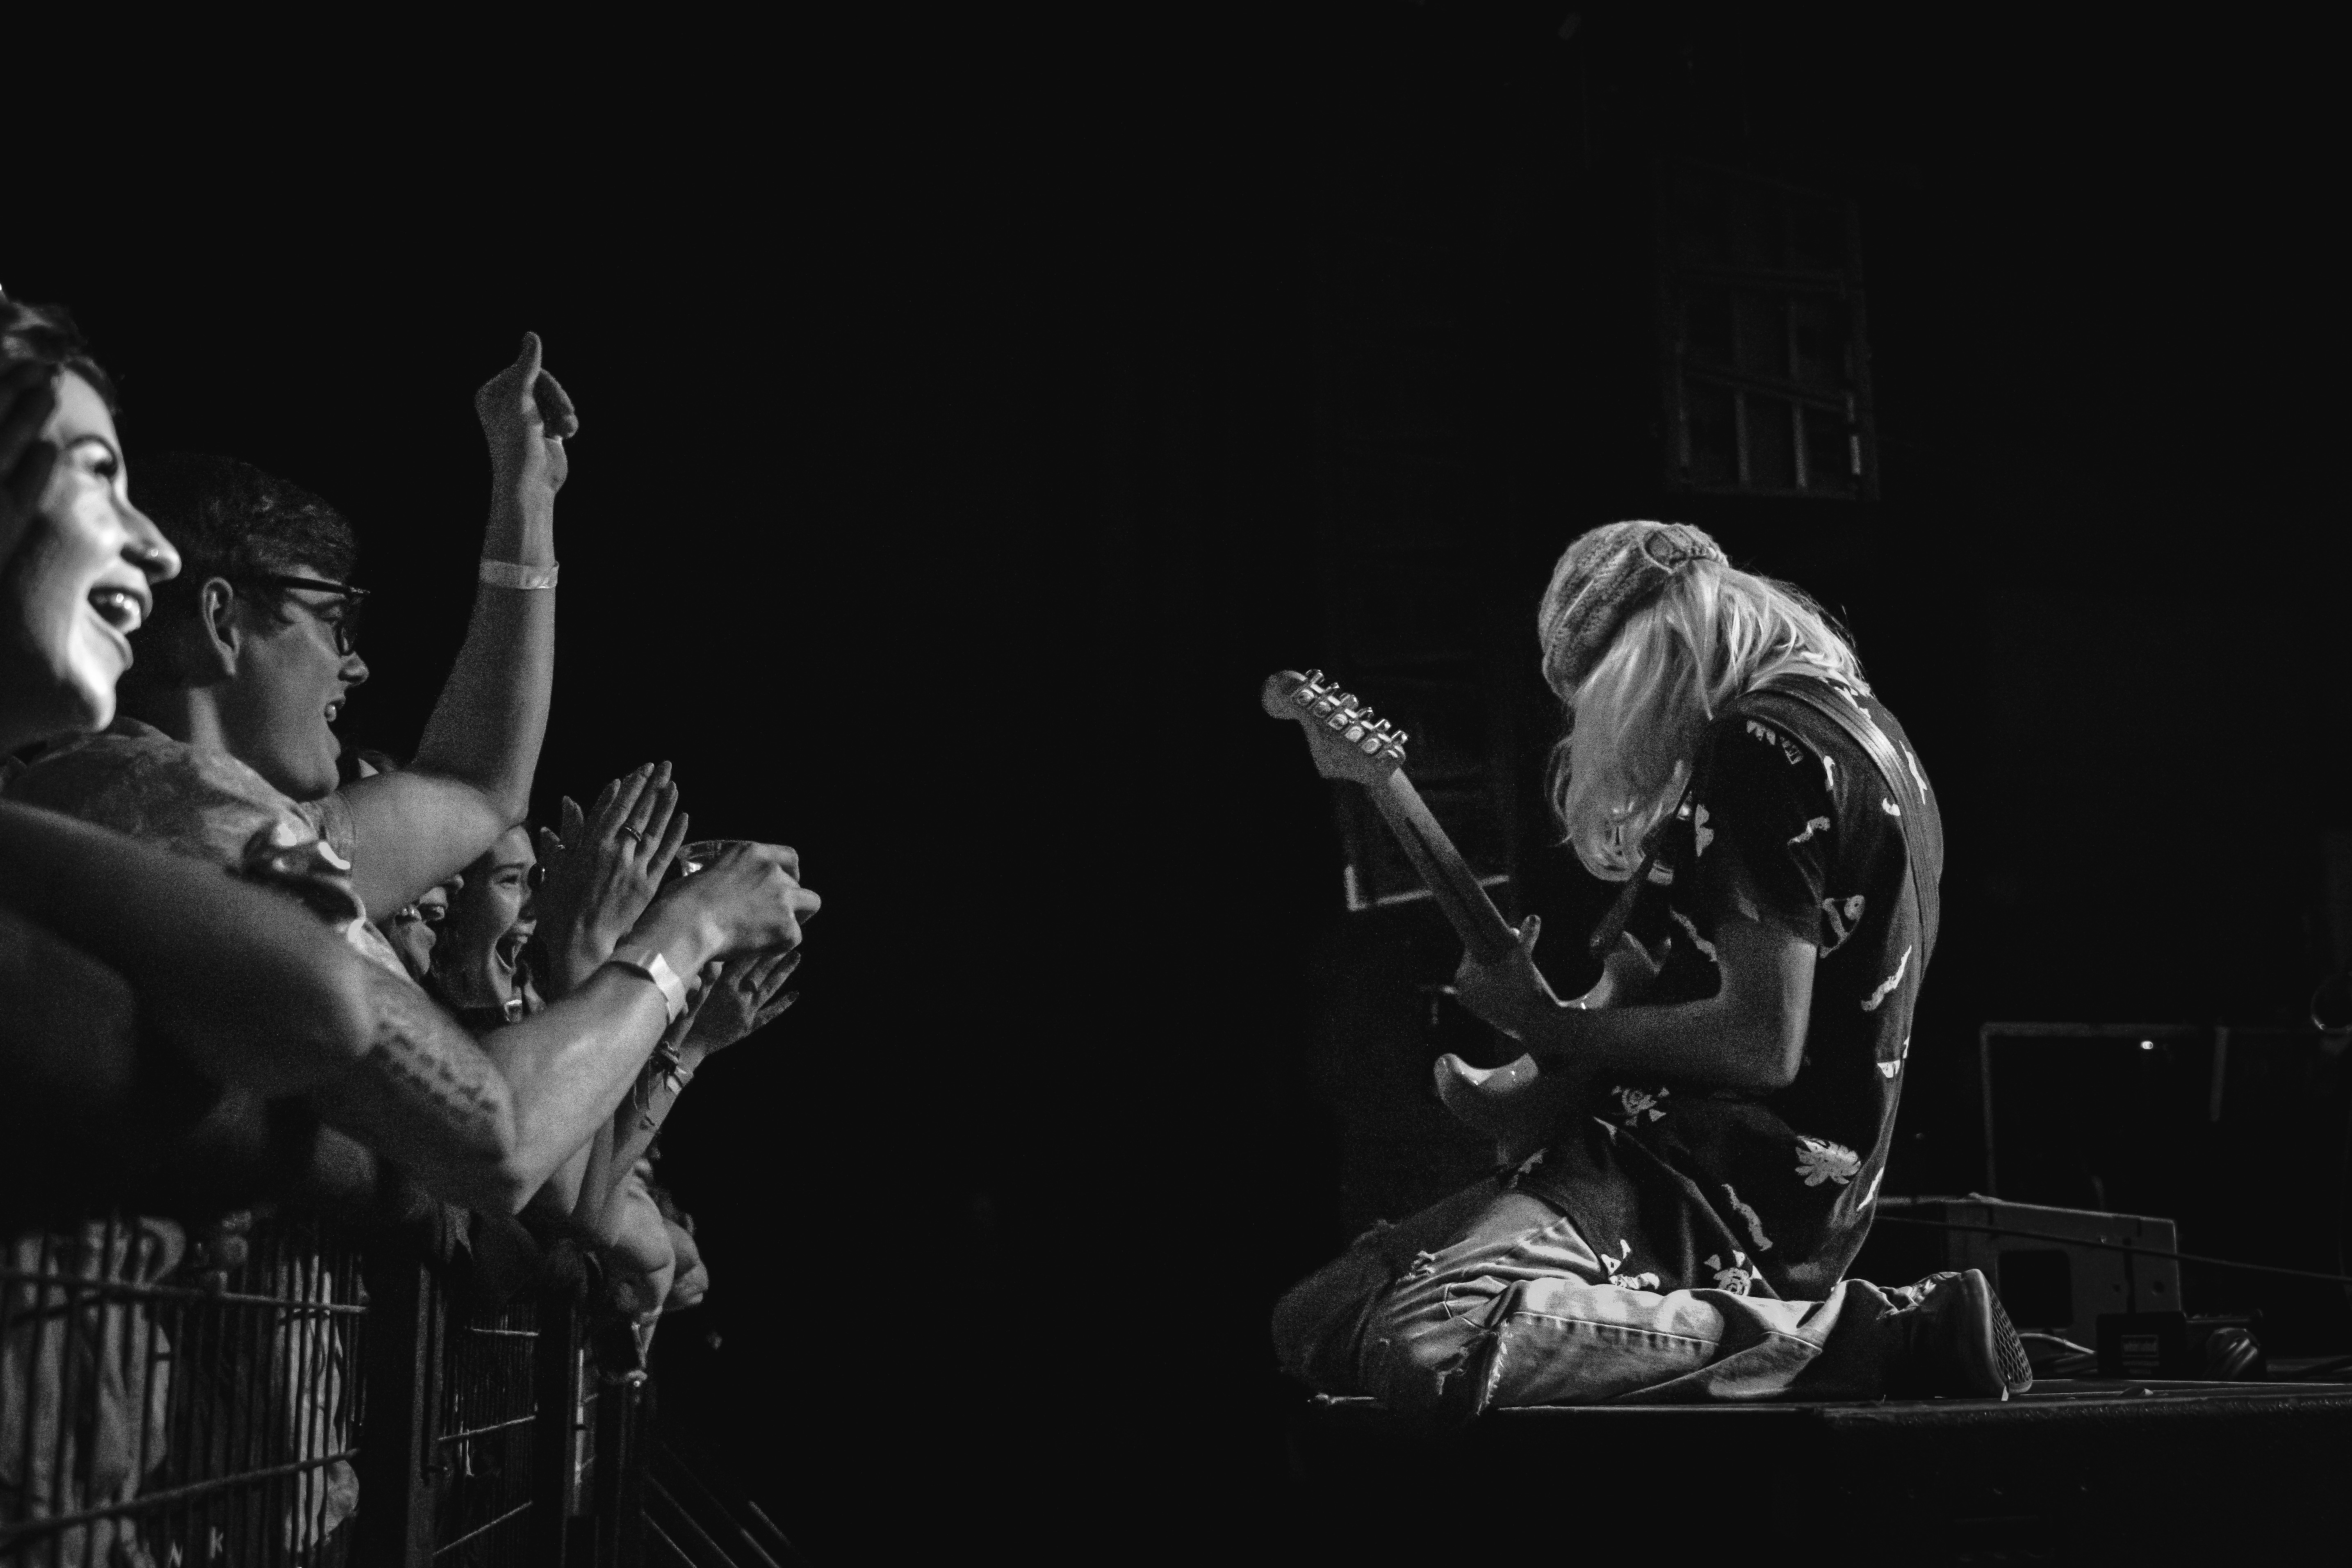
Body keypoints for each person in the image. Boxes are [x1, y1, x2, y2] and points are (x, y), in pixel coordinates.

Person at [1272, 521, 2029, 1422]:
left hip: (1705, 1184)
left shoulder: (1763, 744)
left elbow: (1759, 1042)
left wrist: (1545, 1024)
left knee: (1429, 1339)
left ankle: (1874, 1334)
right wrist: (1546, 1055)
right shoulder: (1862, 733)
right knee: (1316, 1318)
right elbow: (1656, 1013)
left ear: (1641, 658)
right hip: (1659, 1162)